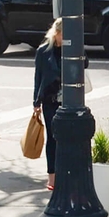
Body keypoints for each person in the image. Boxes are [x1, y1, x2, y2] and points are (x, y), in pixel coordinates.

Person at [33, 18, 63, 191]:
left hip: (67, 100)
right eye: (62, 35)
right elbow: (38, 77)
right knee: (53, 137)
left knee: (67, 136)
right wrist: (35, 102)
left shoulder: (71, 49)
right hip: (50, 100)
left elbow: (85, 63)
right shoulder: (43, 51)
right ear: (56, 33)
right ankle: (52, 176)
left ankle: (66, 173)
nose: (65, 38)